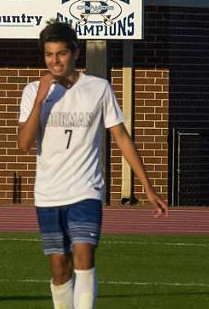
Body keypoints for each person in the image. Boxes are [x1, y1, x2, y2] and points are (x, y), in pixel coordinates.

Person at [18, 21, 168, 309]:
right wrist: (40, 100)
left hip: (86, 190)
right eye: (49, 55)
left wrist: (147, 188)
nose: (55, 61)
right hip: (48, 193)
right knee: (60, 268)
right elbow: (24, 145)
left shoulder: (98, 88)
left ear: (75, 52)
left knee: (84, 255)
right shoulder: (33, 91)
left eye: (61, 53)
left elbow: (122, 138)